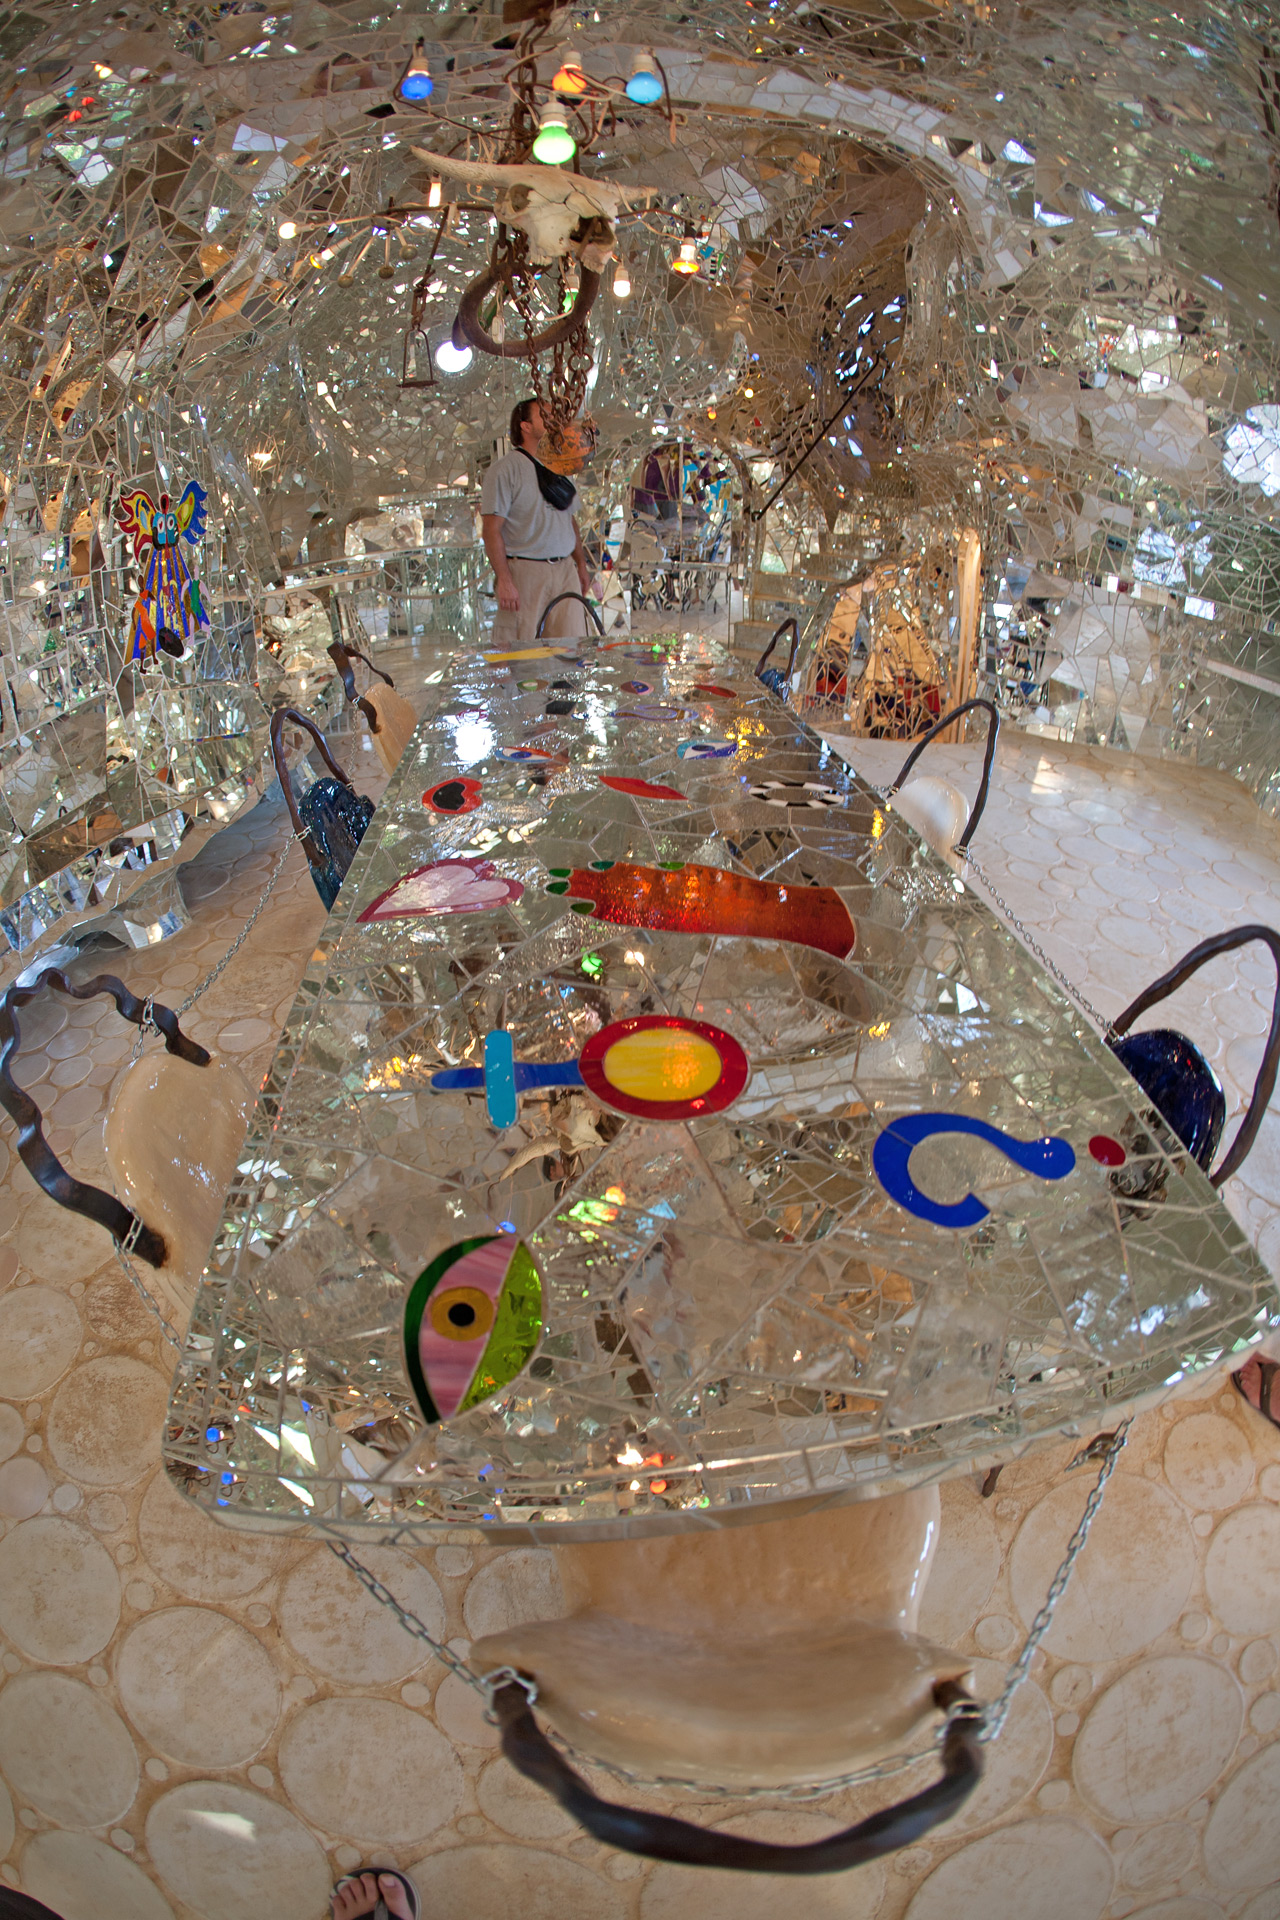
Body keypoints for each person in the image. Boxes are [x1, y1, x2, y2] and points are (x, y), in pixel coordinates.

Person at [480, 398, 591, 645]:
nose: (553, 420)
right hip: (526, 571)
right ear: (525, 426)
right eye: (545, 415)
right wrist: (505, 579)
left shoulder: (561, 467)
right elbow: (491, 530)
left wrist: (581, 564)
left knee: (570, 648)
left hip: (564, 570)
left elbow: (569, 520)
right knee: (521, 649)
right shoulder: (505, 470)